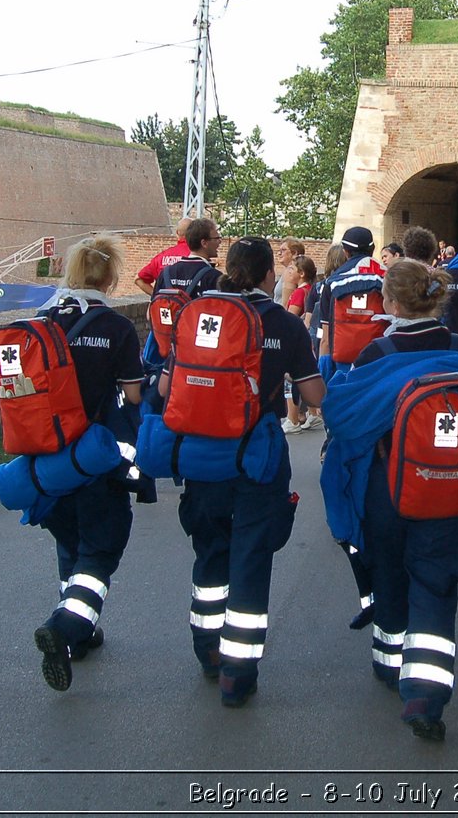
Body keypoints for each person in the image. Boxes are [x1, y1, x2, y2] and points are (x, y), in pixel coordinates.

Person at [320, 258, 458, 741]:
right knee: (437, 585)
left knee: (389, 572)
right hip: (447, 489)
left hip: (388, 487)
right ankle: (426, 695)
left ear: (391, 302)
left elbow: (344, 420)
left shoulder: (375, 354)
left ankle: (389, 663)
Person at [159, 237, 324, 707]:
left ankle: (207, 651)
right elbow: (313, 397)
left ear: (226, 270)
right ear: (270, 274)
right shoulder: (283, 325)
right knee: (250, 558)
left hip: (202, 456)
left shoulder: (198, 313)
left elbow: (170, 384)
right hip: (257, 459)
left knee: (210, 551)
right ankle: (238, 673)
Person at [31, 235, 145, 692]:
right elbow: (133, 393)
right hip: (95, 456)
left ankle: (82, 631)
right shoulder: (116, 328)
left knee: (70, 540)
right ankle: (65, 627)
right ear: (111, 277)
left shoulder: (42, 321)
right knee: (99, 549)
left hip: (46, 458)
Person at [316, 226, 386, 382]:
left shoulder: (332, 283)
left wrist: (323, 374)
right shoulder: (390, 277)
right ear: (373, 249)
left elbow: (325, 338)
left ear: (345, 251)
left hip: (343, 365)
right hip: (381, 361)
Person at [284, 255, 322, 432]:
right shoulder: (308, 289)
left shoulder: (300, 292)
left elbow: (291, 317)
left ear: (301, 273)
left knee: (290, 379)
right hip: (307, 338)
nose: (287, 272)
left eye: (291, 269)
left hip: (296, 338)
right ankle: (313, 413)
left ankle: (292, 419)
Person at [153, 217, 223, 298]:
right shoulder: (213, 277)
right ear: (204, 243)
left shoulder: (166, 273)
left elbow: (152, 307)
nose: (220, 241)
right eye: (217, 238)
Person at [133, 217, 193, 296]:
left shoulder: (162, 256)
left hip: (165, 306)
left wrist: (157, 296)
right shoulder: (197, 255)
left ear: (177, 233)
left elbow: (138, 279)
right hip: (190, 305)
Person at [274, 240, 306, 305]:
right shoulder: (287, 271)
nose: (279, 253)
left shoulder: (291, 273)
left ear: (294, 253)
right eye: (279, 250)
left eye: (283, 250)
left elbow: (286, 304)